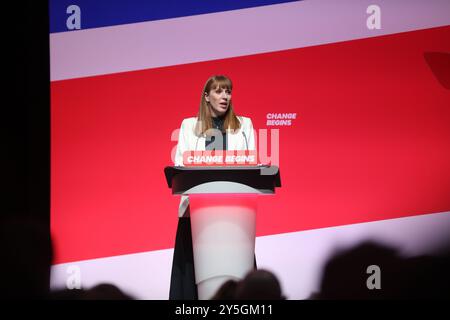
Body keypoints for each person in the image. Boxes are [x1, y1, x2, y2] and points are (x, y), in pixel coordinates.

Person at [169, 75, 256, 300]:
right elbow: (180, 164)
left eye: (228, 91)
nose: (225, 96)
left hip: (235, 215)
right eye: (218, 91)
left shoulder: (244, 125)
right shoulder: (189, 125)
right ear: (206, 97)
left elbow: (252, 164)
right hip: (197, 215)